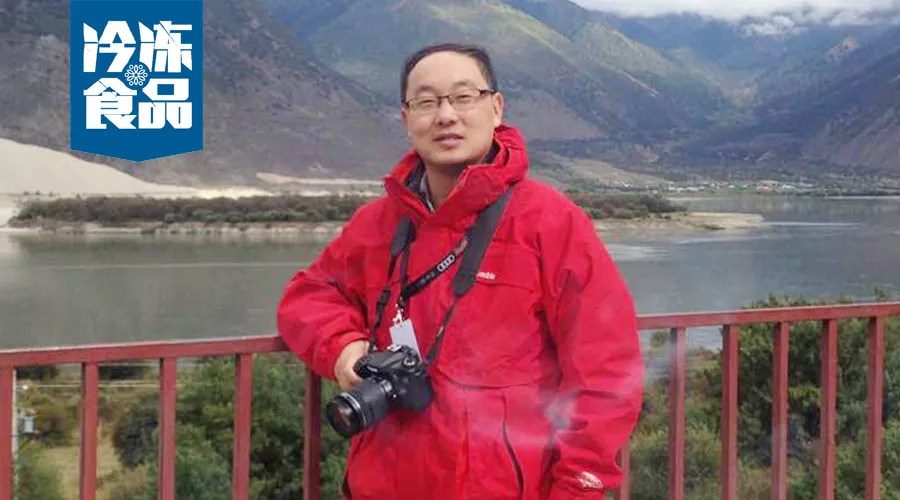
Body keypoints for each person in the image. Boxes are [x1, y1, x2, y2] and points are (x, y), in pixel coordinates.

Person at [277, 42, 644, 499]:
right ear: (406, 118)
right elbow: (309, 295)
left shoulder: (551, 222)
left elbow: (605, 374)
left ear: (496, 108)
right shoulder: (377, 225)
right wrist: (344, 350)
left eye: (463, 97)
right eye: (426, 102)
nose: (446, 115)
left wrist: (577, 490)